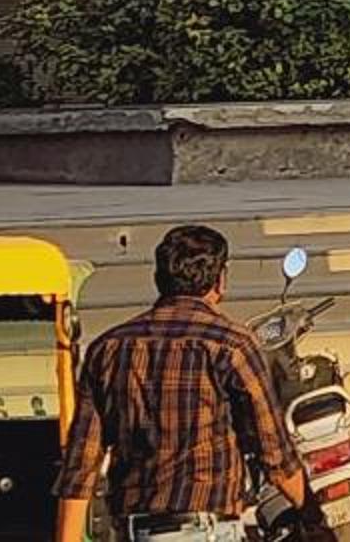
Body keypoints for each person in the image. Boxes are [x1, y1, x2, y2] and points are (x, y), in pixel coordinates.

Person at [54, 222, 312, 542]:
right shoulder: (232, 344)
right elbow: (274, 453)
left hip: (135, 530)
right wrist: (314, 519)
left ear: (159, 278)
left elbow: (81, 464)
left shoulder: (108, 348)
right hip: (206, 529)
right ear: (220, 280)